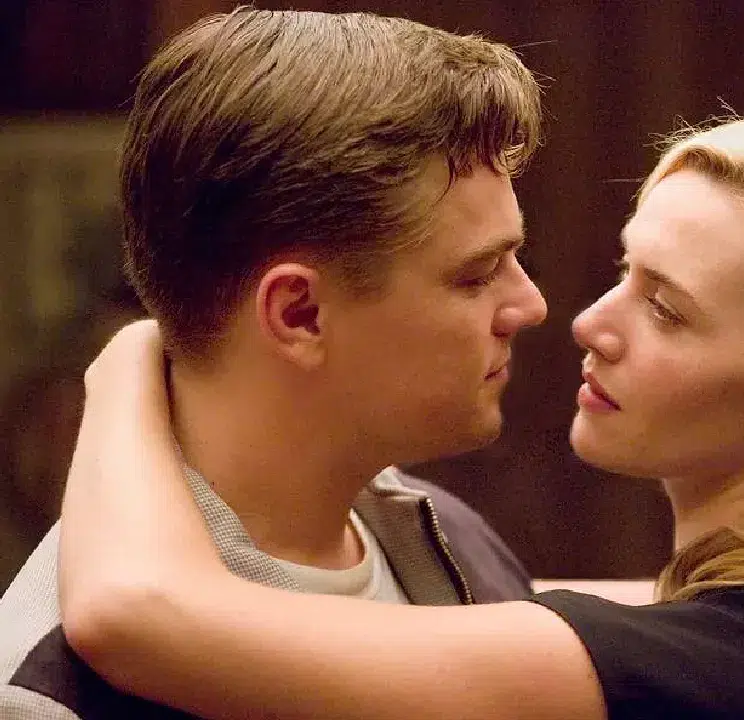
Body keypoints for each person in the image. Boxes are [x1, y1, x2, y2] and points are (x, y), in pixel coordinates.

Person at [58, 116, 744, 719]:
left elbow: (132, 612)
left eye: (666, 309)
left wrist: (133, 355)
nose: (588, 322)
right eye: (626, 270)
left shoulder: (733, 672)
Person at [0, 8, 547, 718]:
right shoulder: (51, 695)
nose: (529, 305)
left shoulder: (454, 544)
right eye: (476, 275)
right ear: (299, 314)